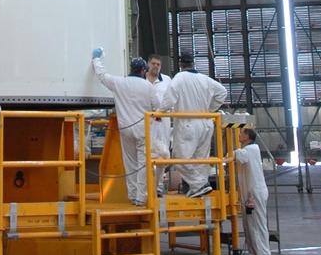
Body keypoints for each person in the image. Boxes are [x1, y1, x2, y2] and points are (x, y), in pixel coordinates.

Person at [91, 49, 158, 206]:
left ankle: (133, 195)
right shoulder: (148, 87)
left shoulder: (119, 83)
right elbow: (158, 106)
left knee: (130, 163)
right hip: (143, 130)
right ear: (143, 70)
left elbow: (102, 75)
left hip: (126, 128)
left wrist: (96, 59)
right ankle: (142, 197)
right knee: (142, 164)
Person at [164, 50, 227, 196]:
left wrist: (159, 112)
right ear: (193, 63)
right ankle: (198, 188)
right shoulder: (205, 79)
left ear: (180, 64)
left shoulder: (180, 77)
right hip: (206, 123)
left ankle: (199, 185)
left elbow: (169, 97)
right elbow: (222, 92)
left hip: (188, 124)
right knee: (201, 160)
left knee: (179, 159)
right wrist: (210, 109)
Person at [235, 126, 272, 255]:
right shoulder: (249, 150)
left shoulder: (250, 150)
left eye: (241, 133)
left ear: (247, 137)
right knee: (250, 226)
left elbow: (235, 155)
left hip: (254, 194)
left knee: (257, 225)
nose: (238, 134)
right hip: (251, 193)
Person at [145, 53, 171, 195]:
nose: (155, 66)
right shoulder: (142, 79)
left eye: (158, 64)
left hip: (163, 123)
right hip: (145, 122)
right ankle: (147, 186)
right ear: (148, 63)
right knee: (145, 153)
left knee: (163, 153)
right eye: (153, 63)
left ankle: (159, 186)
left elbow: (172, 97)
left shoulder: (166, 80)